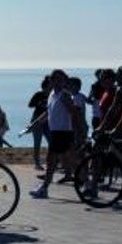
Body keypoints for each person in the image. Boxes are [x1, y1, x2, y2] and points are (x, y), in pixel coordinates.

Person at [30, 70, 77, 199]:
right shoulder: (52, 94)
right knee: (68, 160)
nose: (58, 82)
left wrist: (78, 129)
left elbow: (74, 112)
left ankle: (44, 188)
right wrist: (35, 123)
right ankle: (88, 184)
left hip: (64, 132)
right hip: (55, 132)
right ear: (51, 80)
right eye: (55, 79)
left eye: (61, 79)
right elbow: (48, 113)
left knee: (53, 160)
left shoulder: (64, 95)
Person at [26, 77, 50, 170]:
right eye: (48, 87)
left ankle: (50, 163)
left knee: (51, 142)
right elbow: (30, 105)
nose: (50, 88)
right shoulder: (38, 94)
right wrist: (39, 103)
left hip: (48, 120)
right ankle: (37, 164)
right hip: (37, 119)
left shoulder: (53, 95)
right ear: (44, 87)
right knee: (37, 143)